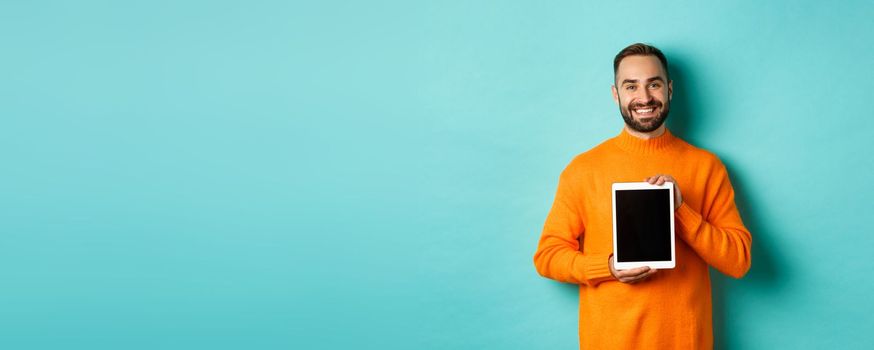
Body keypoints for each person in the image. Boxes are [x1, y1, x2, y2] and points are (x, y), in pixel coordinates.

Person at [532, 43, 752, 349]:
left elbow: (738, 261)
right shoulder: (583, 169)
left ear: (670, 89)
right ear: (615, 94)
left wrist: (681, 211)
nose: (644, 97)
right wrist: (607, 267)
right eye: (631, 86)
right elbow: (547, 256)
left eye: (654, 84)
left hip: (685, 342)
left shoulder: (706, 167)